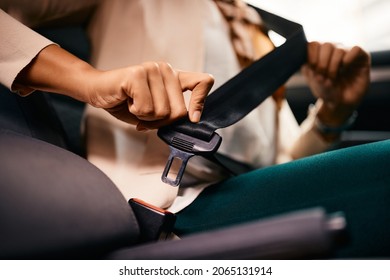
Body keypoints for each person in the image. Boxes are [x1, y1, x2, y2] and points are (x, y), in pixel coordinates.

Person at [1, 0, 388, 258]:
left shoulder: (263, 35)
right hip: (168, 212)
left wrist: (333, 112)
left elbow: (283, 164)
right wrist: (88, 80)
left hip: (248, 198)